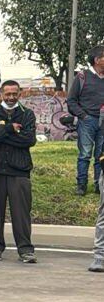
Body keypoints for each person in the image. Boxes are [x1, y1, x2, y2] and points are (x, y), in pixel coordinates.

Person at [0, 81, 37, 263]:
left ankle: (25, 250)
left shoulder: (27, 115)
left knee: (21, 213)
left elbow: (28, 140)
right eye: (7, 94)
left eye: (14, 94)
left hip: (19, 171)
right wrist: (9, 129)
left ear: (20, 94)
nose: (11, 97)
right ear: (1, 93)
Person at [65, 45, 104, 196]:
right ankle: (81, 185)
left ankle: (98, 185)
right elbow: (71, 100)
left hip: (103, 122)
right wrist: (83, 116)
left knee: (101, 155)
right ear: (97, 60)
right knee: (85, 154)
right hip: (87, 121)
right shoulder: (82, 77)